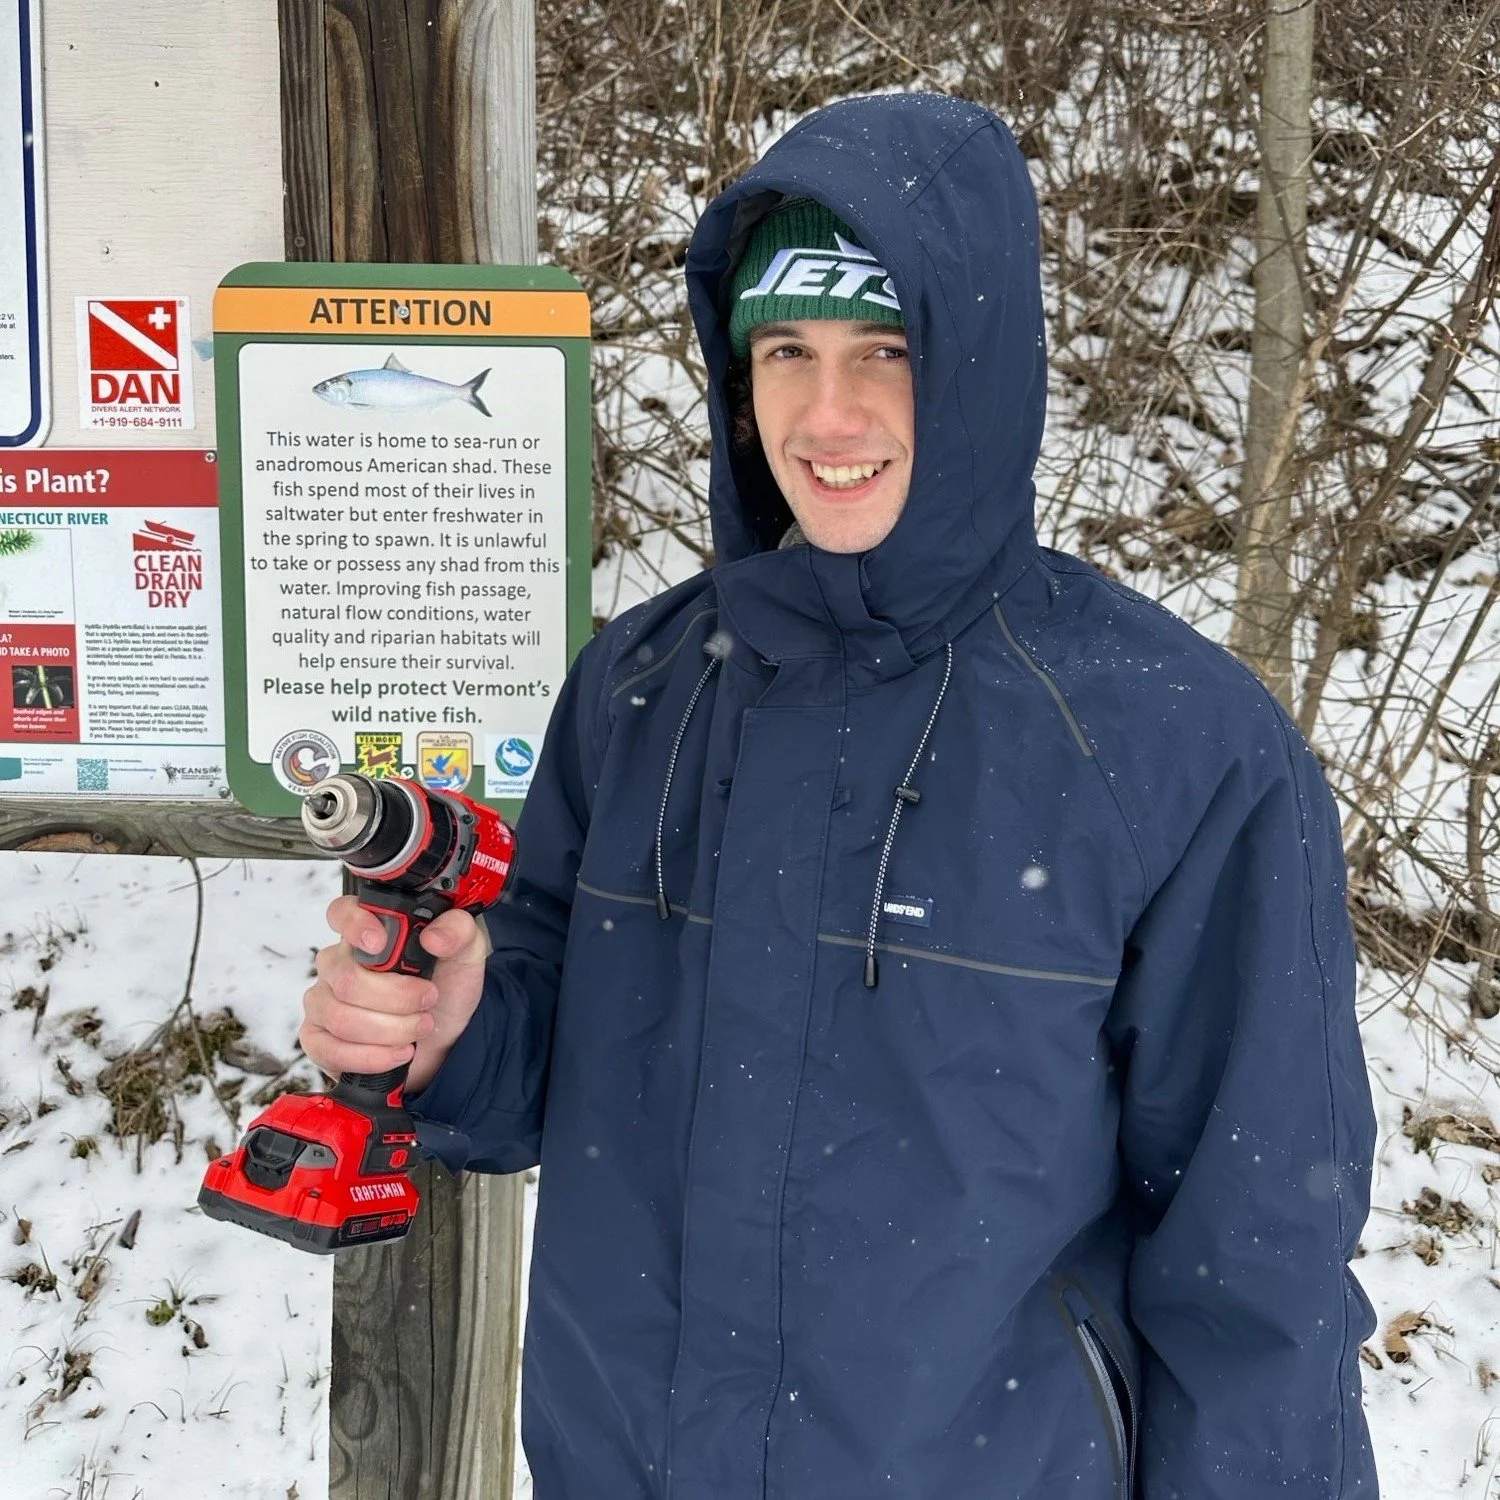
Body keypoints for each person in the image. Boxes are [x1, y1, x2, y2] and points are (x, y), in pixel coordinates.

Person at [302, 93, 1379, 1499]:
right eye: (786, 351)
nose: (831, 412)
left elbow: (1255, 1268)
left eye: (889, 349)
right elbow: (551, 1042)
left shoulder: (1174, 747)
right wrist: (455, 1034)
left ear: (978, 366)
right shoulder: (640, 687)